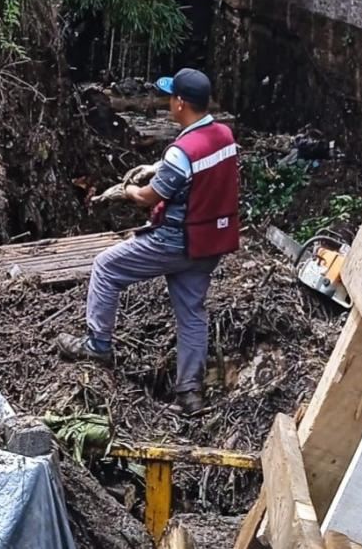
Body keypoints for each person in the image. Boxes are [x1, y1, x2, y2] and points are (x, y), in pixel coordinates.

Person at [55, 69, 241, 417]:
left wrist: (124, 191)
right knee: (192, 314)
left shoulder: (181, 152)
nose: (169, 103)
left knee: (106, 267)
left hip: (174, 240)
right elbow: (196, 169)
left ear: (181, 103)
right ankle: (190, 394)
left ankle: (98, 345)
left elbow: (148, 196)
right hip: (209, 244)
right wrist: (156, 165)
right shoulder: (224, 135)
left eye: (171, 98)